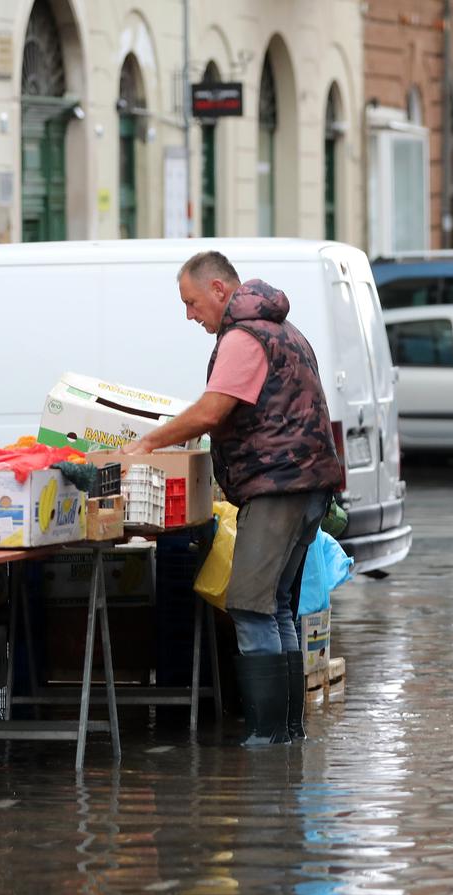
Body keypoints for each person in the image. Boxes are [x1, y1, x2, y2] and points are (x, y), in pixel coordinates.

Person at [123, 251, 341, 747]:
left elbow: (212, 410)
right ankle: (288, 734)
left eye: (192, 302)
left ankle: (267, 738)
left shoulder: (245, 336)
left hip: (278, 486)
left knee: (249, 605)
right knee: (277, 606)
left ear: (219, 289)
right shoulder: (282, 328)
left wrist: (150, 442)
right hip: (306, 486)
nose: (189, 315)